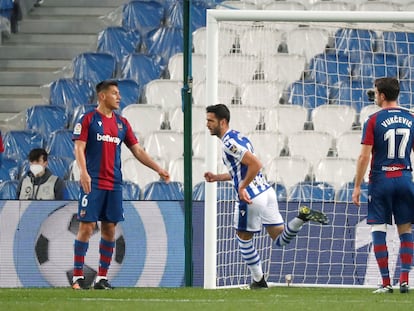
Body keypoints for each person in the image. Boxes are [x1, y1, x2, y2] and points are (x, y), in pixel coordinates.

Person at [204, 104, 328, 289]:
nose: (207, 124)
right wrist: (217, 177)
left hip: (251, 197)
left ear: (222, 122)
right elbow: (242, 170)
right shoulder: (239, 137)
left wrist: (242, 188)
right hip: (266, 192)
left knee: (243, 238)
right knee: (280, 239)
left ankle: (258, 280)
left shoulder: (228, 144)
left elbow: (256, 164)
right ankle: (301, 217)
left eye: (210, 120)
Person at [71, 80, 170, 290]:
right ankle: (77, 277)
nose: (119, 97)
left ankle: (101, 279)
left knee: (109, 229)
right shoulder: (88, 119)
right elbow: (79, 148)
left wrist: (158, 169)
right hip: (93, 182)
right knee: (86, 227)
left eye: (119, 93)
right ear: (102, 96)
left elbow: (138, 151)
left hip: (114, 184)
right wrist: (84, 172)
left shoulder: (122, 124)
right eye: (115, 93)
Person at [352, 77, 414, 294]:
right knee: (405, 229)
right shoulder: (411, 118)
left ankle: (386, 283)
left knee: (379, 229)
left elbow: (363, 157)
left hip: (381, 179)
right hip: (405, 178)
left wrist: (357, 186)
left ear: (383, 96)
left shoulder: (373, 120)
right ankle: (405, 279)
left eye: (376, 92)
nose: (374, 95)